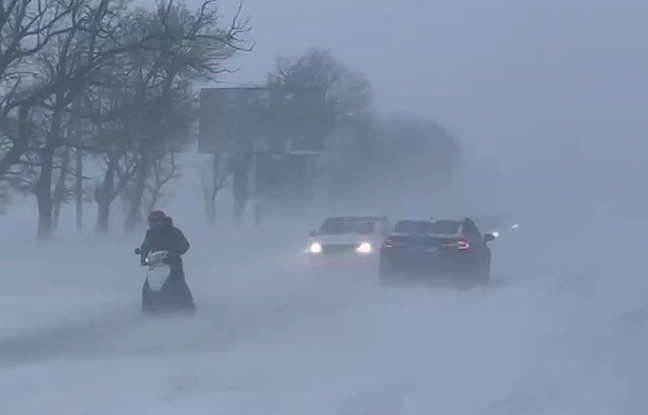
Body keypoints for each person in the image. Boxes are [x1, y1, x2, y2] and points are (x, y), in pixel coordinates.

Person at [139, 210, 195, 312]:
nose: (155, 224)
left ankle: (188, 306)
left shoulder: (174, 232)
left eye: (157, 222)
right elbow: (145, 246)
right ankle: (146, 308)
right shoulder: (150, 233)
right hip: (156, 262)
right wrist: (143, 257)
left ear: (163, 221)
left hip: (172, 262)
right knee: (147, 285)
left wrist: (175, 252)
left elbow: (185, 244)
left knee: (179, 282)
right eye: (152, 222)